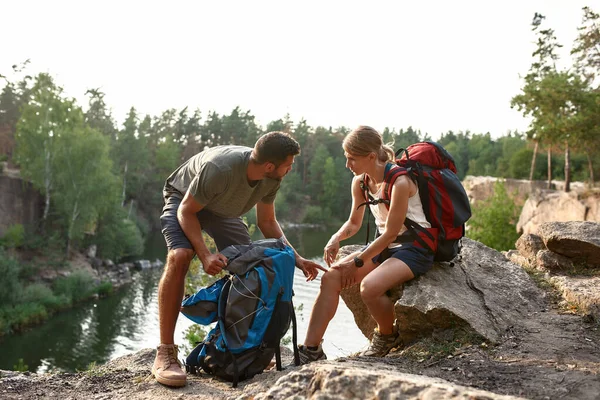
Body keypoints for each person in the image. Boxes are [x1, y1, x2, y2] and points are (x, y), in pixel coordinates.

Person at [153, 131, 326, 387]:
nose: (290, 169)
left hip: (222, 210)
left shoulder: (270, 178)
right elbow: (187, 211)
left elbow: (267, 221)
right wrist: (205, 255)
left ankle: (243, 350)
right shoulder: (220, 168)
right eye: (288, 165)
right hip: (184, 200)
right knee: (180, 256)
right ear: (269, 165)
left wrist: (297, 259)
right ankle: (166, 352)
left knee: (255, 266)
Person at [297, 125, 435, 364]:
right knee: (331, 277)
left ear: (371, 156)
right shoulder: (361, 182)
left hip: (416, 247)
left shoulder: (400, 182)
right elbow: (353, 222)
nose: (347, 165)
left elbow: (391, 233)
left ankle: (387, 336)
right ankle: (311, 349)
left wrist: (358, 261)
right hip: (387, 246)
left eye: (352, 159)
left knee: (369, 287)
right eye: (346, 158)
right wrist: (336, 238)